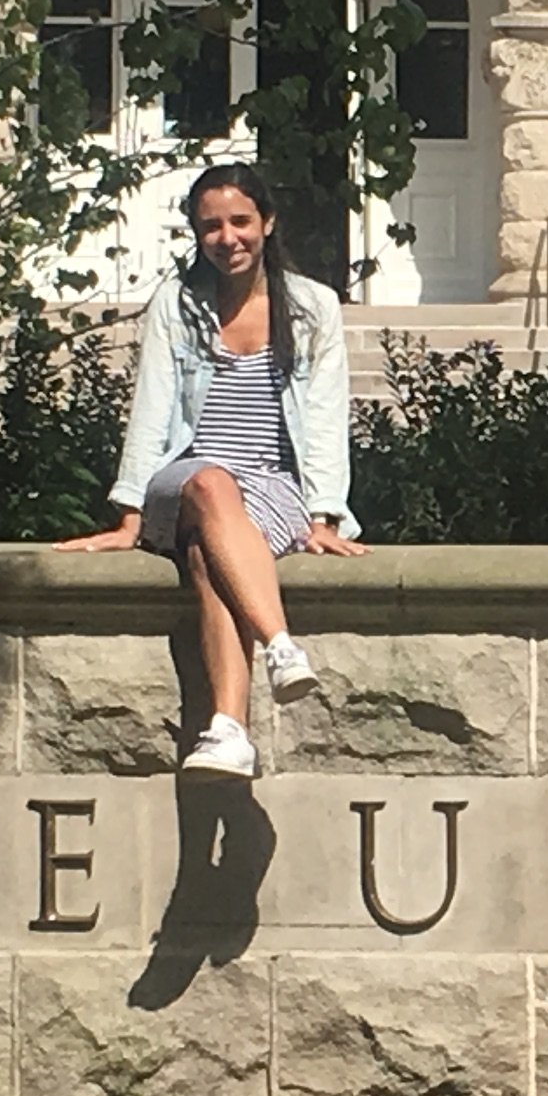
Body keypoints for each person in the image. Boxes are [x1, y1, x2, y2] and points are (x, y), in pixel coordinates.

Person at [53, 163, 362, 778]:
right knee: (210, 482)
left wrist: (323, 514)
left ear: (267, 223)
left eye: (240, 221)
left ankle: (228, 732)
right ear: (197, 234)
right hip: (184, 478)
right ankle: (280, 645)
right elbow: (152, 406)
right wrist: (130, 514)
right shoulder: (177, 304)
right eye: (211, 227)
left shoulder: (313, 307)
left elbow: (327, 414)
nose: (228, 238)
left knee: (206, 557)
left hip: (271, 485)